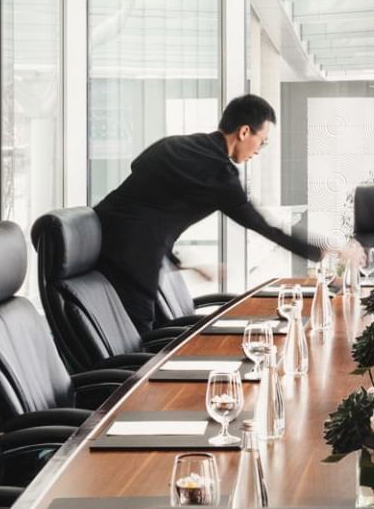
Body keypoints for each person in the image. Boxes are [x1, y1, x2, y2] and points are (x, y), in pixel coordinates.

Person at [93, 95, 350, 336]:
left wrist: (181, 261)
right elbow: (264, 227)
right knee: (140, 338)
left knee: (143, 335)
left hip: (100, 234)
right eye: (262, 141)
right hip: (132, 259)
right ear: (244, 131)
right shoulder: (220, 174)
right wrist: (324, 249)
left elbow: (146, 188)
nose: (259, 150)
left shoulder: (176, 144)